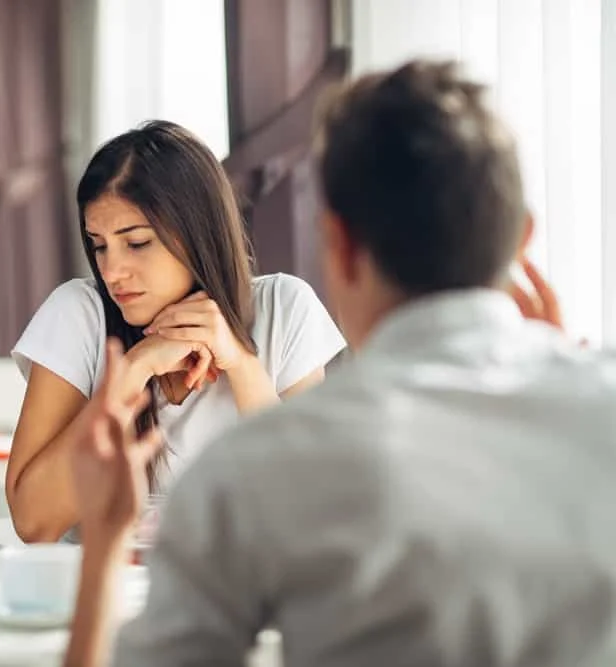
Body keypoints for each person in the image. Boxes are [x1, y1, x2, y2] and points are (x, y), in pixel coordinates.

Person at [64, 60, 616, 667]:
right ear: (521, 240)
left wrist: (103, 545)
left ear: (339, 246)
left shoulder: (253, 468)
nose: (113, 267)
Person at [7, 121, 345, 543]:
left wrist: (241, 363)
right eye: (99, 245)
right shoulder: (79, 314)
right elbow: (33, 522)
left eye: (136, 243)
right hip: (104, 599)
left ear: (195, 232)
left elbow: (312, 508)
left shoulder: (285, 308)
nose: (112, 271)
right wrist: (132, 371)